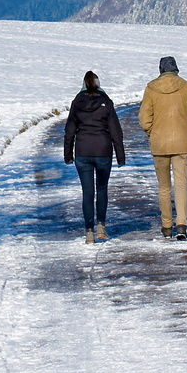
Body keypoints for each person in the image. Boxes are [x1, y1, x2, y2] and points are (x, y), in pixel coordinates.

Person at [139, 56, 187, 241]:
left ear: (160, 69)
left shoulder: (151, 89)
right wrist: (186, 130)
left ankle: (167, 226)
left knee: (164, 187)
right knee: (181, 185)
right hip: (182, 143)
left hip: (159, 144)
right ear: (176, 68)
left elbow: (144, 120)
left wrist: (154, 132)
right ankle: (182, 225)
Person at [64, 70, 126, 244]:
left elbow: (69, 131)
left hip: (82, 152)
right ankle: (101, 227)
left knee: (87, 192)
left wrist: (68, 154)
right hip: (103, 151)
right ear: (98, 83)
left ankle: (89, 232)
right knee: (102, 189)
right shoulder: (106, 101)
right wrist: (120, 156)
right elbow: (115, 131)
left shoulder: (77, 102)